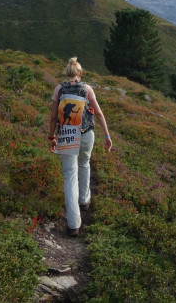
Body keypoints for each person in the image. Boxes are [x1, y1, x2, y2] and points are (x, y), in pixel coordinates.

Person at [48, 57, 113, 236]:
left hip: (67, 135)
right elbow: (98, 113)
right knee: (84, 163)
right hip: (86, 135)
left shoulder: (59, 89)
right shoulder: (87, 88)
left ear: (67, 73)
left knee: (70, 175)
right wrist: (107, 135)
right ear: (80, 74)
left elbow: (53, 117)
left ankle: (73, 224)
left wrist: (52, 136)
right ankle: (84, 200)